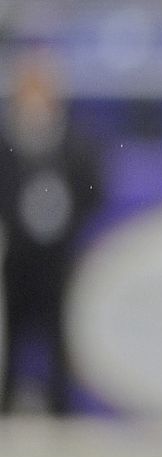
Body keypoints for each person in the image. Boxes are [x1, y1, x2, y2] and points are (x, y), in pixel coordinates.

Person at [0, 54, 102, 415]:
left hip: (59, 253)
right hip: (19, 251)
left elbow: (94, 186)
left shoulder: (73, 142)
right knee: (13, 328)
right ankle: (9, 401)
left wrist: (71, 221)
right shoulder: (9, 142)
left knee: (59, 328)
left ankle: (61, 404)